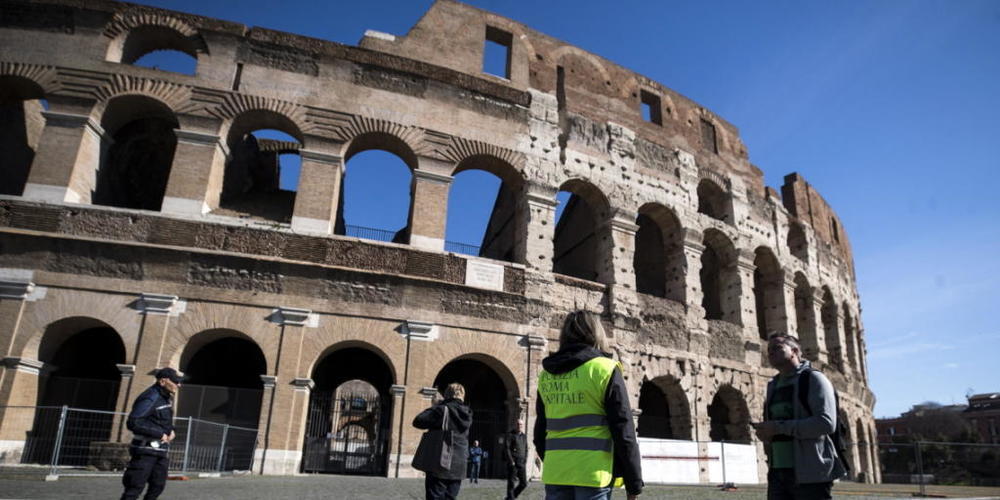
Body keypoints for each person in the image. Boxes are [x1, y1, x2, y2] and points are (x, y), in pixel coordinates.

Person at [534, 310, 643, 500]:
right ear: (597, 333)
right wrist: (633, 482)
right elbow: (623, 429)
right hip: (593, 473)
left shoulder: (546, 375)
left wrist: (556, 462)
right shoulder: (605, 369)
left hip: (556, 472)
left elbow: (539, 432)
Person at [753, 334, 846, 500]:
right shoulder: (772, 385)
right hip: (777, 471)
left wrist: (777, 427)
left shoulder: (814, 379)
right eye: (769, 350)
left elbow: (826, 423)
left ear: (794, 351)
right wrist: (766, 433)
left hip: (810, 471)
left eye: (777, 348)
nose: (771, 352)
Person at [120, 367, 181, 500]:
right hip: (145, 451)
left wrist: (172, 431)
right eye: (175, 382)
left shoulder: (165, 398)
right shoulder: (150, 397)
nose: (178, 385)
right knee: (134, 488)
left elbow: (163, 421)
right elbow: (134, 422)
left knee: (158, 485)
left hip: (160, 451)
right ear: (163, 381)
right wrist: (159, 434)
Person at [413, 382, 473, 500]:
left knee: (435, 496)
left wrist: (436, 405)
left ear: (447, 394)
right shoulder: (468, 413)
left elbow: (418, 421)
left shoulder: (441, 410)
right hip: (459, 464)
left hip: (440, 461)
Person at [504, 419, 528, 499]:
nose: (519, 426)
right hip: (513, 462)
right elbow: (507, 448)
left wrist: (525, 460)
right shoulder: (510, 435)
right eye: (518, 424)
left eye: (521, 424)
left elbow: (526, 449)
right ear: (516, 425)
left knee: (524, 483)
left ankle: (511, 497)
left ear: (522, 426)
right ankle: (511, 498)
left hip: (521, 463)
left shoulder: (524, 436)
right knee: (511, 483)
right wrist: (511, 461)